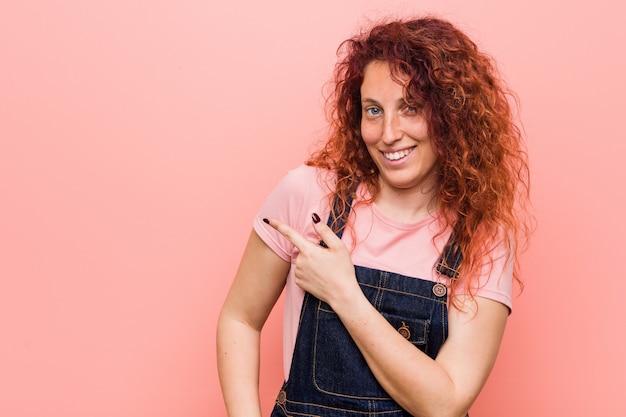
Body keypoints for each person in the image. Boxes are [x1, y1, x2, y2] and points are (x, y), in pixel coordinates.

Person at [217, 16, 531, 417]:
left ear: (451, 116)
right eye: (373, 110)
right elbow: (240, 319)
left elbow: (445, 403)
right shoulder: (308, 195)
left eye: (410, 108)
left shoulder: (481, 238)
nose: (388, 133)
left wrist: (345, 294)